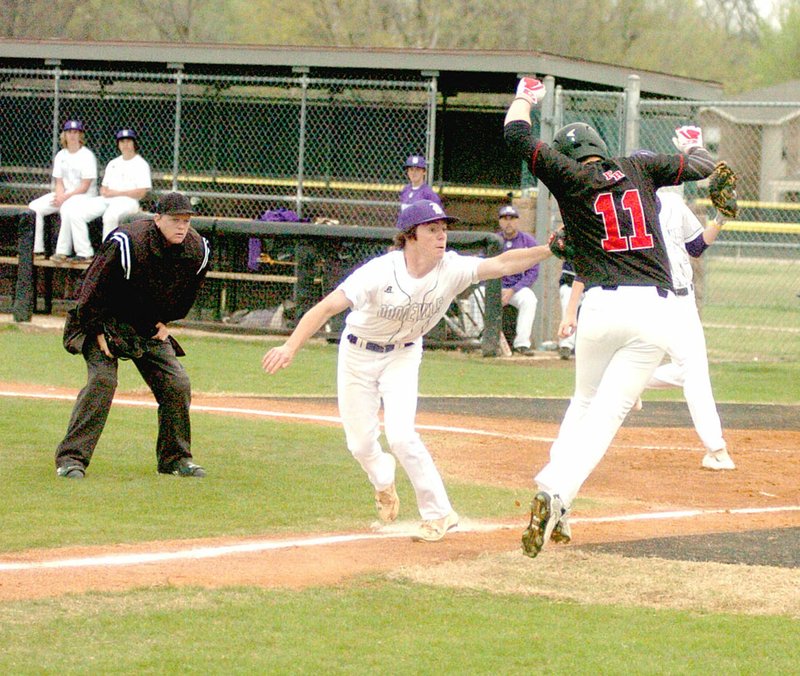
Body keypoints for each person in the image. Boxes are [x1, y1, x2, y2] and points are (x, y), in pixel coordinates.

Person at [504, 77, 716, 558]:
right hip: (654, 308)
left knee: (583, 403)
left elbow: (515, 136)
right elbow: (700, 168)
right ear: (602, 147)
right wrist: (696, 150)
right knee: (604, 417)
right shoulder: (638, 164)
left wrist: (525, 97)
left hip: (597, 305)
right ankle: (556, 492)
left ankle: (559, 498)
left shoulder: (567, 176)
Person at [262, 199, 552, 542]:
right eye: (432, 229)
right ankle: (383, 479)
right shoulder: (380, 272)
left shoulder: (452, 267)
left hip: (403, 355)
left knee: (401, 436)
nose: (441, 236)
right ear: (410, 236)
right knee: (359, 444)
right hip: (357, 354)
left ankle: (439, 513)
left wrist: (549, 249)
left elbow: (502, 263)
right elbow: (326, 307)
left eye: (443, 229)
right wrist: (290, 346)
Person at [54, 192, 211, 480]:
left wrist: (166, 320)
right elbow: (91, 288)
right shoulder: (127, 243)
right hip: (102, 318)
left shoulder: (197, 249)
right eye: (175, 220)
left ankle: (175, 459)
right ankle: (71, 459)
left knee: (177, 383)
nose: (182, 226)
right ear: (157, 219)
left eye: (187, 220)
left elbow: (189, 291)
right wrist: (96, 329)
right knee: (103, 381)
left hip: (146, 324)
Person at [643, 184, 734, 470]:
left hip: (684, 301)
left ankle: (626, 384)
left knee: (692, 370)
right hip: (650, 300)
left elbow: (696, 247)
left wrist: (720, 219)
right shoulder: (630, 207)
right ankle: (716, 448)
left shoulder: (672, 202)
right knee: (693, 371)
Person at [62, 128, 152, 246]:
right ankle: (84, 253)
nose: (125, 145)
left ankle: (107, 254)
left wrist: (115, 193)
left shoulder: (141, 164)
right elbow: (104, 189)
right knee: (76, 213)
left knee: (110, 216)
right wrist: (108, 193)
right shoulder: (113, 163)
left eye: (128, 141)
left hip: (128, 201)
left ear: (134, 143)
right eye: (122, 142)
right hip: (107, 199)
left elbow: (141, 192)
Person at [28, 119, 98, 262]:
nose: (72, 135)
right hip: (65, 194)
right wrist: (60, 195)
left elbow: (85, 186)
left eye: (76, 132)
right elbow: (59, 182)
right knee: (35, 207)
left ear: (80, 136)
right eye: (69, 132)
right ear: (64, 135)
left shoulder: (87, 155)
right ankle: (37, 250)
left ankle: (62, 252)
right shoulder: (61, 155)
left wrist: (64, 198)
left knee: (67, 207)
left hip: (84, 196)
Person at [497, 204, 539, 355]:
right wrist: (493, 288)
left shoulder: (527, 241)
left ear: (517, 221)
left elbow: (533, 272)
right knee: (474, 299)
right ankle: (477, 339)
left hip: (516, 288)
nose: (508, 222)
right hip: (494, 287)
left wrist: (513, 289)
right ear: (500, 222)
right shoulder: (494, 240)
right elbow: (483, 265)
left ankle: (522, 344)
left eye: (512, 219)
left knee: (529, 300)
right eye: (504, 218)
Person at [557, 260, 581, 359]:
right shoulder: (573, 247)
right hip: (570, 285)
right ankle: (566, 345)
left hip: (593, 288)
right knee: (568, 298)